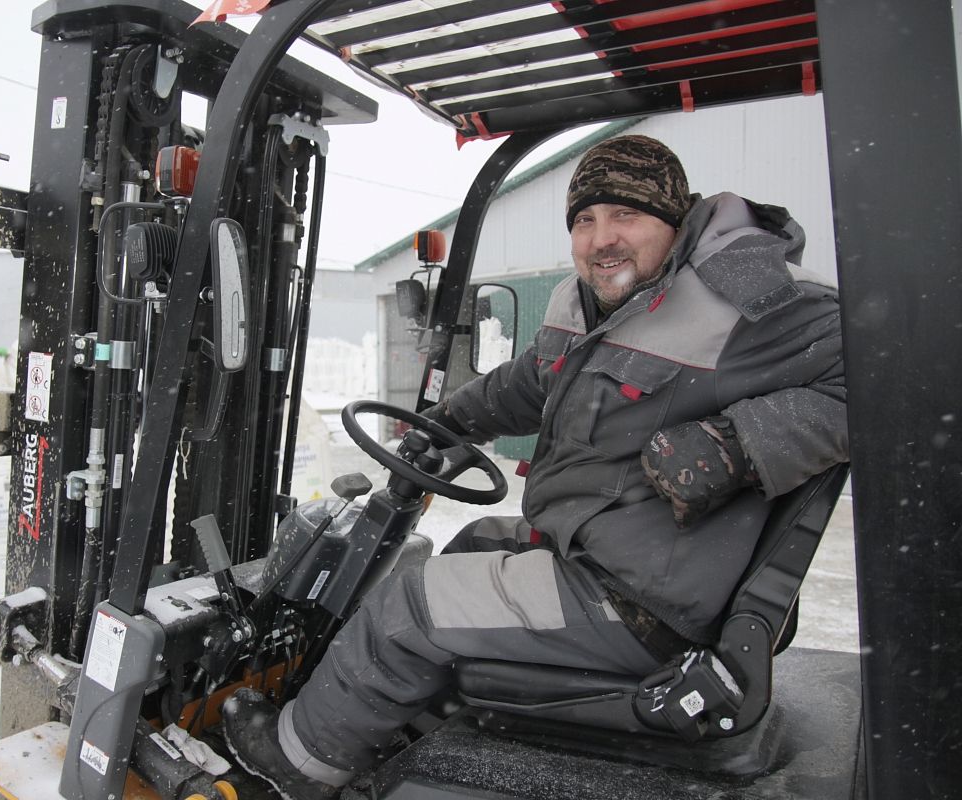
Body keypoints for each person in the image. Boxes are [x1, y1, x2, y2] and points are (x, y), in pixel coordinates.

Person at [222, 135, 848, 800]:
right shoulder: (595, 305)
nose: (602, 238)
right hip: (614, 545)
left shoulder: (742, 295)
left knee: (409, 606)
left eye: (626, 216)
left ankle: (301, 759)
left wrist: (737, 442)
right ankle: (404, 723)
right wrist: (449, 423)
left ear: (676, 220)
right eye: (585, 220)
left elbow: (880, 383)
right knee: (476, 542)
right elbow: (530, 382)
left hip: (641, 599)